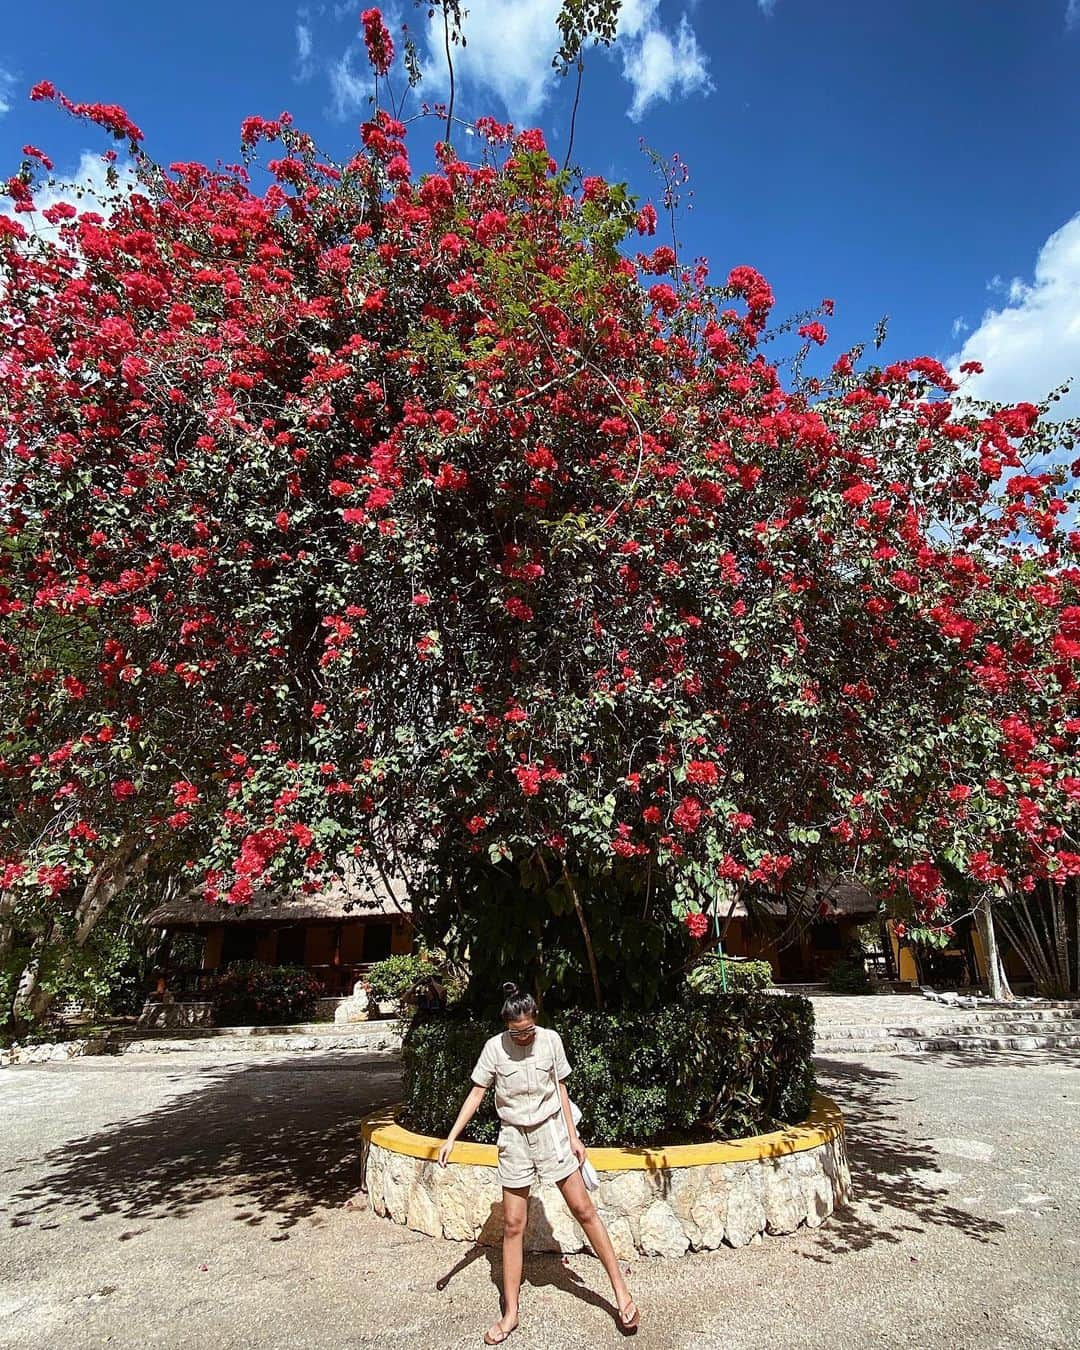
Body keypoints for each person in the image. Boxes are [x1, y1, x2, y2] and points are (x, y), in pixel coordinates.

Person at [438, 982, 640, 1343]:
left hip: (552, 1132)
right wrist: (452, 1137)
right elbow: (477, 1092)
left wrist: (574, 1136)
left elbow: (562, 1089)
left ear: (536, 1019)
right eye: (516, 1032)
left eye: (528, 1029)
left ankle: (622, 1294)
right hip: (514, 1138)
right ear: (506, 1026)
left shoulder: (550, 1040)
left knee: (584, 1209)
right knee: (513, 1225)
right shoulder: (494, 1049)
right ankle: (511, 1313)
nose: (523, 1037)